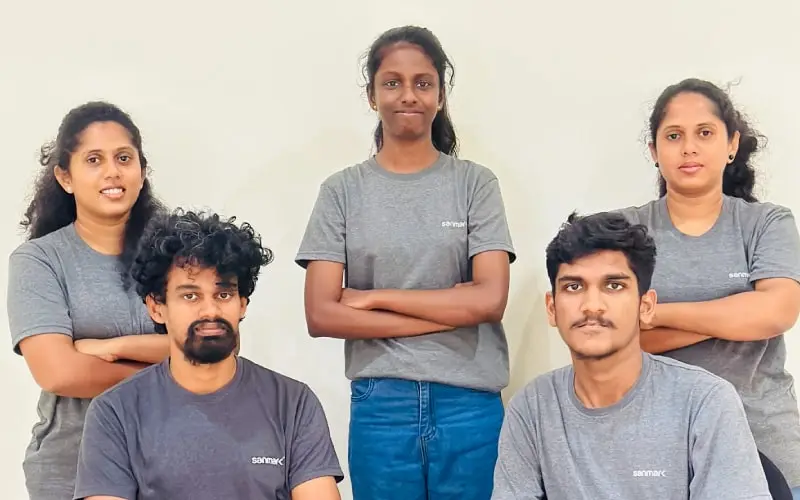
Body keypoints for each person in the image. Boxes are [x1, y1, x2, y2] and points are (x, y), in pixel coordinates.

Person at [295, 25, 515, 500]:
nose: (408, 95)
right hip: (382, 403)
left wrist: (374, 298)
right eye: (392, 83)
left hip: (470, 403)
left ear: (440, 95)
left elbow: (491, 300)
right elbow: (321, 314)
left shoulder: (475, 184)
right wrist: (452, 310)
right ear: (372, 95)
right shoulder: (342, 191)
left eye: (423, 83)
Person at [491, 211, 771, 499]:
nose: (592, 306)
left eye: (614, 286)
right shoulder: (532, 407)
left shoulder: (705, 401)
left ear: (645, 307)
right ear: (552, 308)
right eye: (574, 287)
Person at [73, 209, 344, 500]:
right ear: (157, 308)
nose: (210, 311)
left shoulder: (293, 403)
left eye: (223, 294)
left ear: (242, 305)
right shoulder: (115, 411)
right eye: (190, 296)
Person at [616, 78, 800, 495]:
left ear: (731, 144)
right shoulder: (623, 230)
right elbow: (613, 336)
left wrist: (655, 314)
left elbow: (777, 312)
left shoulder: (766, 223)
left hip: (763, 440)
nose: (689, 148)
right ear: (654, 151)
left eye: (704, 133)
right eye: (673, 136)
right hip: (656, 451)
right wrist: (737, 311)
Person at [6, 101, 169, 500]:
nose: (112, 171)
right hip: (73, 468)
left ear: (142, 171)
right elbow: (59, 373)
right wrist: (173, 369)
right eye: (94, 160)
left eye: (124, 158)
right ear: (65, 177)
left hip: (172, 461)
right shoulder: (39, 260)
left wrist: (110, 348)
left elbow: (220, 344)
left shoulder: (176, 252)